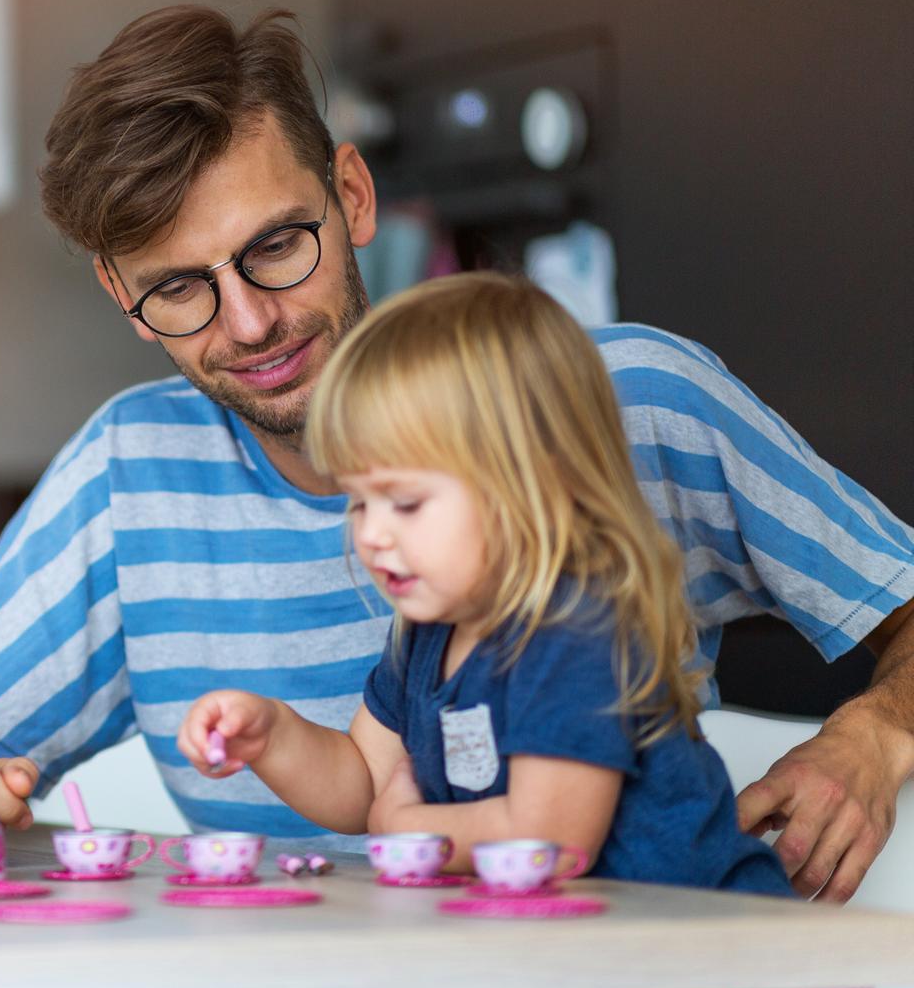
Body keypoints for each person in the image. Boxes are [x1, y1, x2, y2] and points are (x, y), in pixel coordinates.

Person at [0, 5, 914, 902]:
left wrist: (873, 734)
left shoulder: (621, 400)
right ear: (124, 298)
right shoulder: (126, 478)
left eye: (274, 247)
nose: (249, 323)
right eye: (179, 288)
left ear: (352, 195)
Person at [176, 272, 791, 894]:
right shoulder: (427, 635)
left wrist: (405, 826)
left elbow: (549, 841)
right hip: (587, 958)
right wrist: (274, 735)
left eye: (407, 503)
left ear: (535, 489)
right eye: (359, 503)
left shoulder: (573, 631)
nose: (373, 535)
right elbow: (363, 779)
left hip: (712, 956)